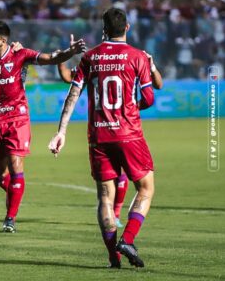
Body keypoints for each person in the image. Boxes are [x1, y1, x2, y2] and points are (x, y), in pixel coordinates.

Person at [49, 8, 156, 268]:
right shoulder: (138, 57)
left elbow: (72, 96)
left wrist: (61, 131)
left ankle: (113, 258)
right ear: (127, 28)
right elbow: (149, 99)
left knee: (105, 198)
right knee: (145, 187)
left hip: (98, 136)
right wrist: (130, 107)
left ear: (103, 29)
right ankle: (128, 239)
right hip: (129, 133)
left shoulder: (90, 57)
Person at [0, 20, 86, 233]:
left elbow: (51, 58)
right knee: (0, 175)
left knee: (16, 165)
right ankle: (14, 192)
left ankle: (10, 218)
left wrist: (70, 52)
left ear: (2, 40)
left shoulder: (20, 55)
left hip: (17, 119)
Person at [57, 50, 162, 228]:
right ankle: (119, 221)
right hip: (125, 130)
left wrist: (152, 66)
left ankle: (115, 223)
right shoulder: (128, 56)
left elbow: (158, 83)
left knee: (111, 185)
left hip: (102, 130)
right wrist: (62, 60)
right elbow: (155, 90)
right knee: (136, 183)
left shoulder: (94, 58)